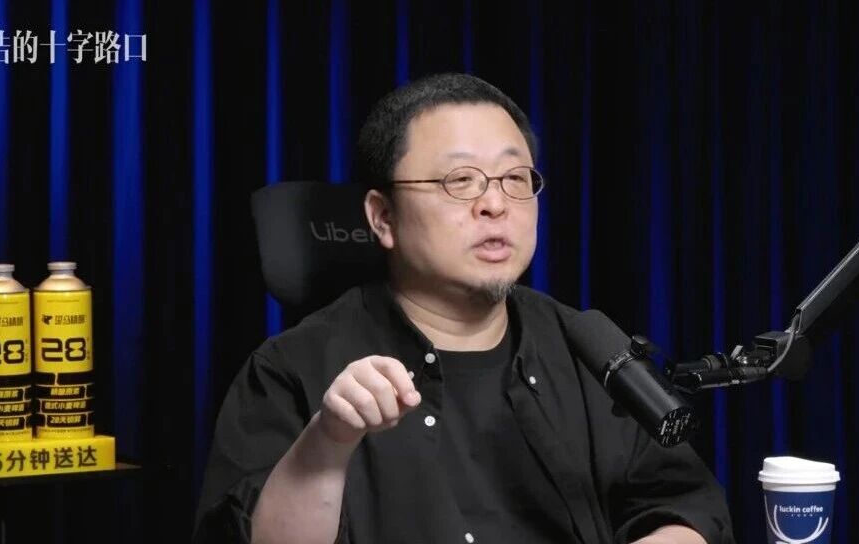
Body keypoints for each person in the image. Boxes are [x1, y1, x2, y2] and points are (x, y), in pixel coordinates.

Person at [194, 73, 734, 544]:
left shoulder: (588, 351)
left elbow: (687, 505)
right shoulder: (291, 371)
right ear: (383, 218)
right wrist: (327, 444)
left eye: (515, 179)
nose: (495, 204)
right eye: (460, 181)